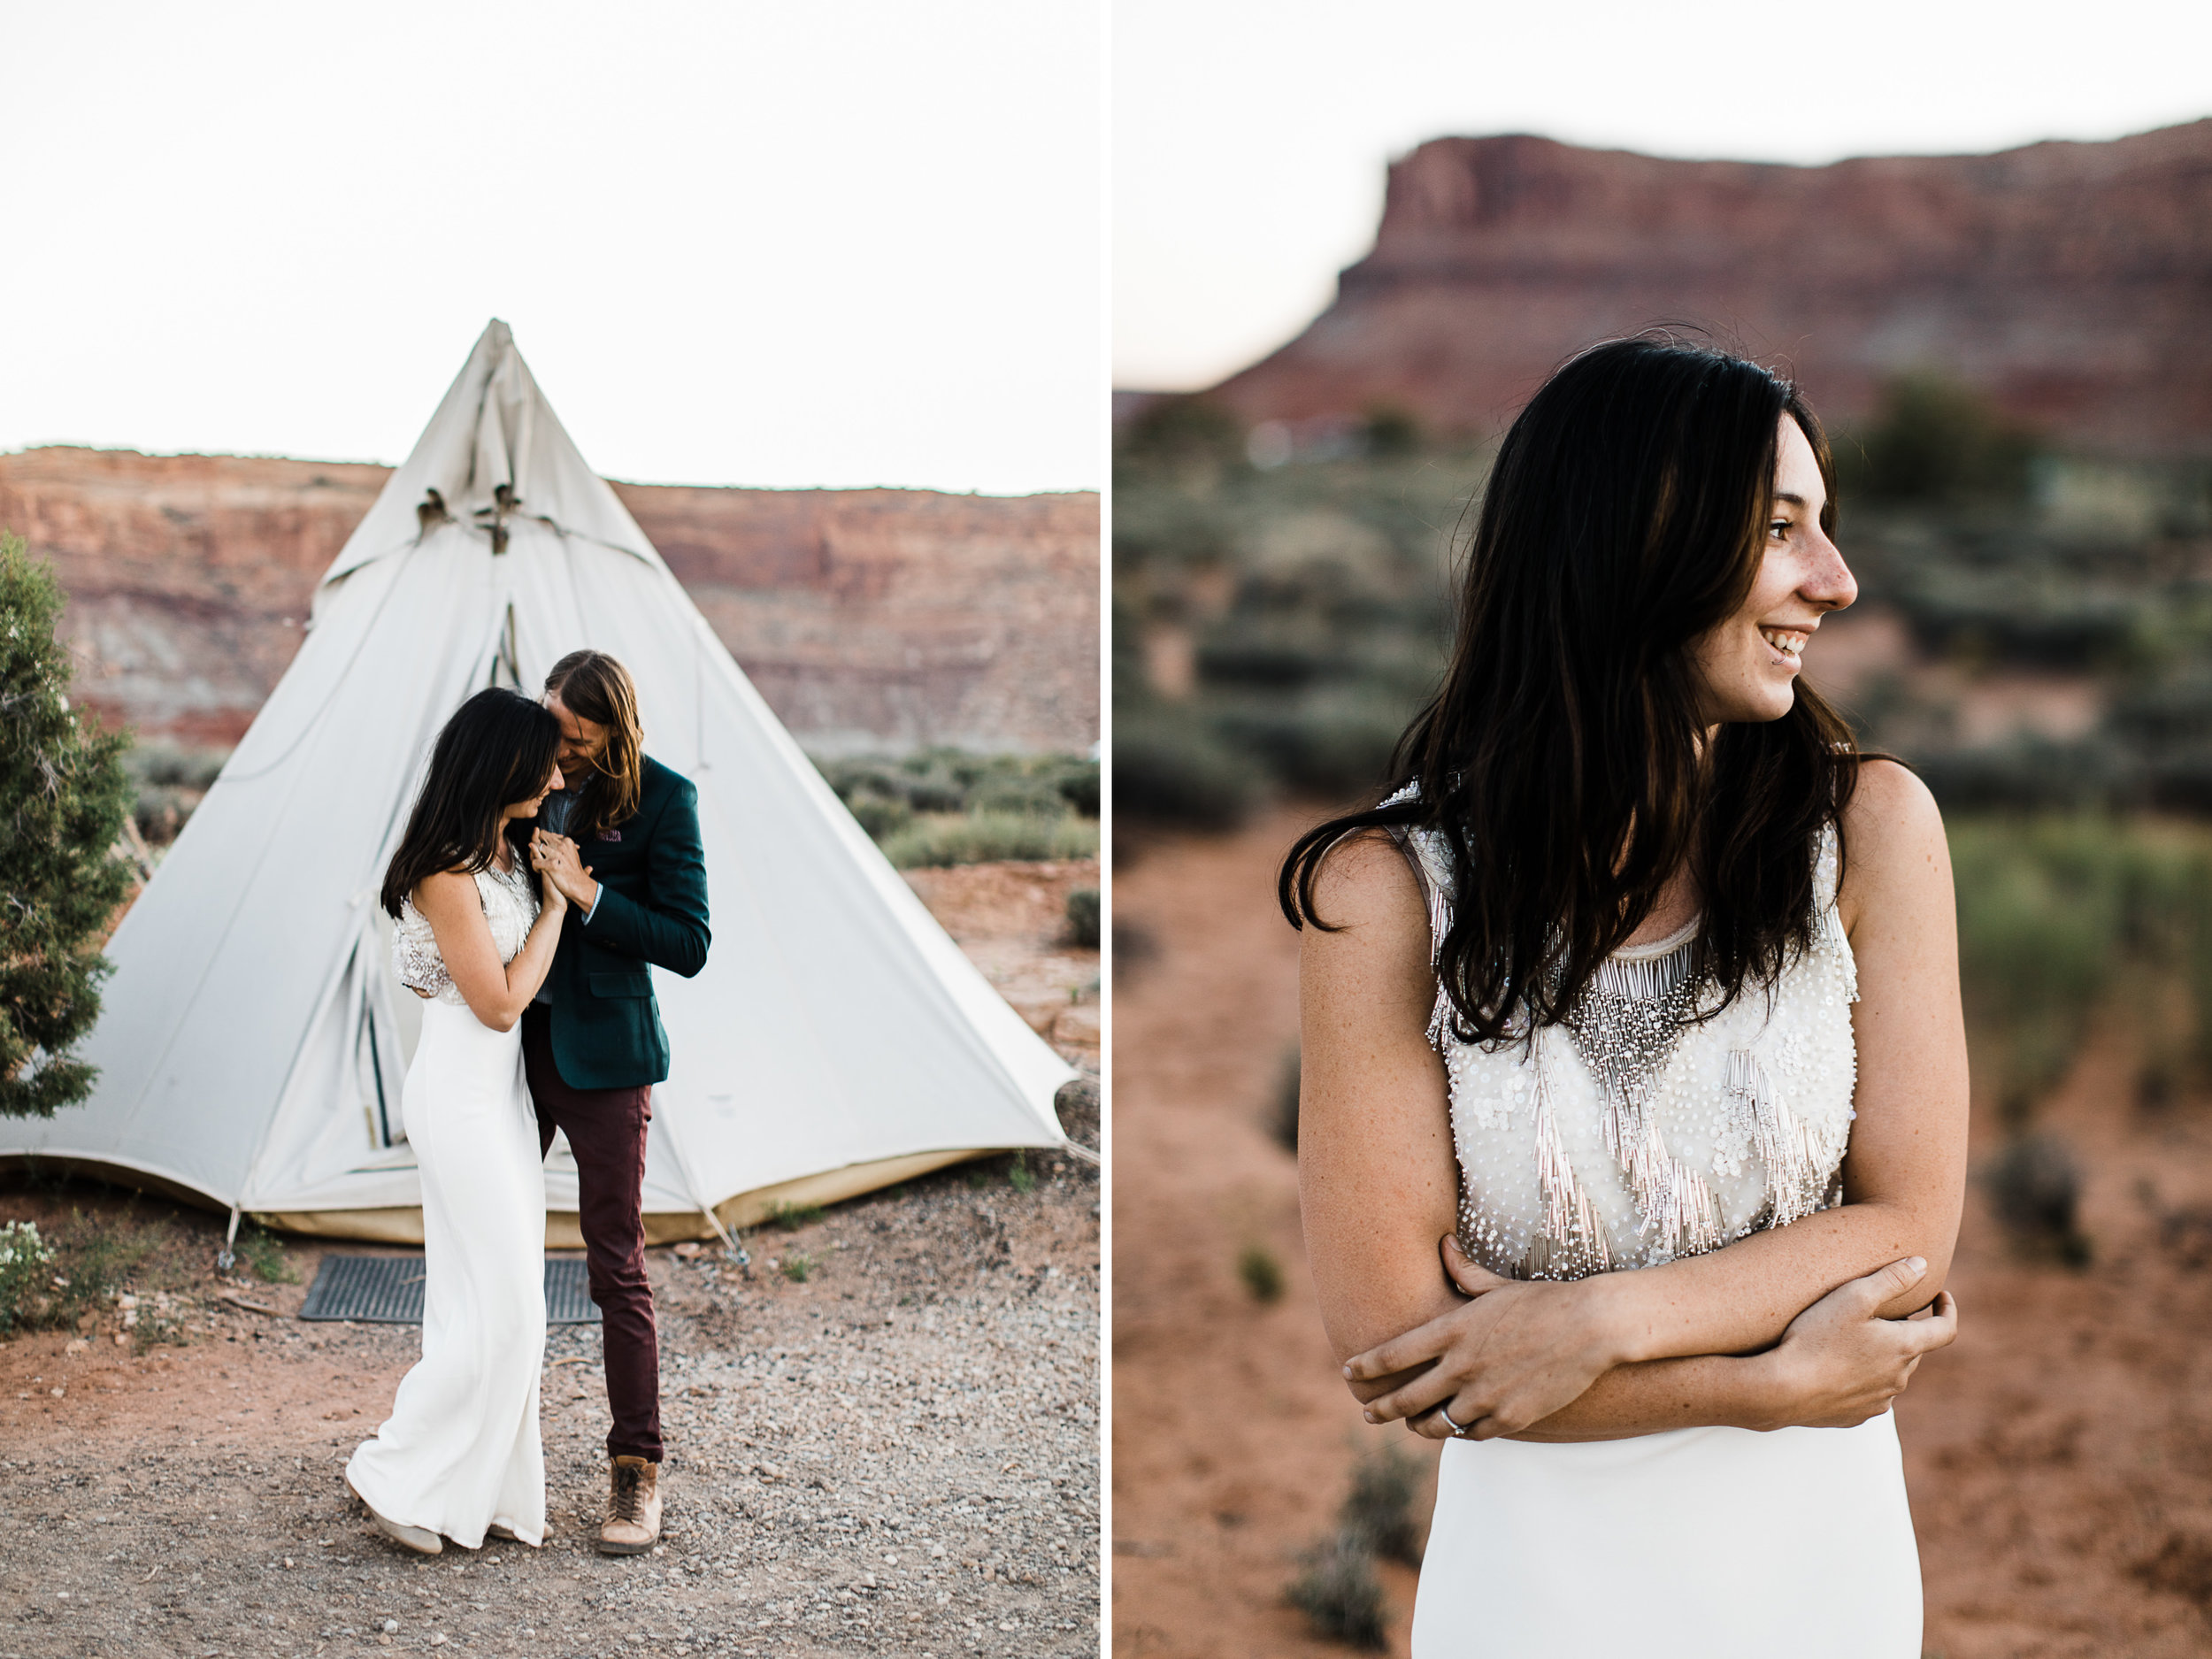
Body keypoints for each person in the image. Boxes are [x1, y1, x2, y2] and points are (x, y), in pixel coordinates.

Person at [1282, 337, 1968, 1657]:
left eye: (1827, 527)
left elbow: (1908, 1229)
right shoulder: (1389, 890)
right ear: (1634, 543)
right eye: (1782, 530)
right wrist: (1762, 1384)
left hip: (1816, 1575)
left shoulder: (1872, 831)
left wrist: (1595, 1319)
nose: (1837, 579)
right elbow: (1402, 1345)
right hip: (1535, 1594)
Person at [348, 687, 569, 1555]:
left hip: (499, 1097)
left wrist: (542, 886)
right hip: (458, 1090)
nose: (556, 775)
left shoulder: (503, 856)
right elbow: (500, 1003)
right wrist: (557, 907)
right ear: (502, 765)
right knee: (507, 1306)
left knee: (488, 1305)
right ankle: (393, 1473)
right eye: (545, 760)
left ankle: (481, 1496)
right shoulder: (447, 870)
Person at [521, 649, 710, 1555]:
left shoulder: (666, 800)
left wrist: (586, 889)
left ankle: (636, 1473)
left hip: (605, 1059)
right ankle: (487, 1464)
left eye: (579, 734)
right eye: (555, 725)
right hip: (510, 1052)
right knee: (493, 1257)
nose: (564, 747)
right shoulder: (522, 779)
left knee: (615, 1269)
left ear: (612, 725)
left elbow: (689, 941)